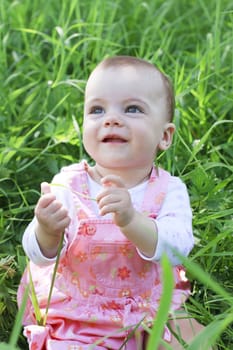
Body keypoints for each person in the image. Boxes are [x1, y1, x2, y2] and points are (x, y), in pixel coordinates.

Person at [17, 56, 206, 350]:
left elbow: (177, 247)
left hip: (149, 306)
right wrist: (47, 231)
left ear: (165, 136)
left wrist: (132, 219)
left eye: (132, 109)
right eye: (97, 109)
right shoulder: (69, 184)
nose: (112, 118)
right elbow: (38, 256)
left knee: (191, 340)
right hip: (81, 309)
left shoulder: (169, 190)